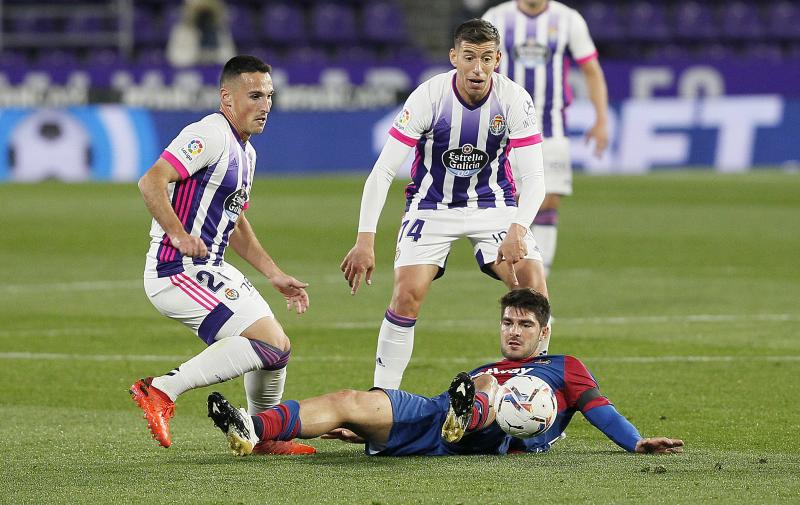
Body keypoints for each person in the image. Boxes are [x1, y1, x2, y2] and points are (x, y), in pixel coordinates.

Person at [207, 288, 684, 457]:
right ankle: (252, 429)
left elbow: (598, 408)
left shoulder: (564, 369)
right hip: (439, 417)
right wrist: (350, 427)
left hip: (497, 437)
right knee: (351, 401)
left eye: (525, 325)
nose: (514, 332)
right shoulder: (485, 366)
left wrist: (634, 440)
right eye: (508, 323)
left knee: (485, 390)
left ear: (544, 333)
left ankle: (470, 412)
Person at [340, 19, 550, 390]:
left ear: (498, 59)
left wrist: (517, 228)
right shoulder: (429, 97)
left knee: (533, 289)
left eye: (487, 58)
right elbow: (383, 171)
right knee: (407, 293)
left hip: (494, 205)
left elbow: (534, 178)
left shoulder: (515, 99)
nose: (478, 68)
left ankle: (533, 395)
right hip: (431, 205)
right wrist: (365, 239)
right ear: (454, 57)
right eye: (469, 57)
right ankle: (382, 400)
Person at [129, 55, 314, 455]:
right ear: (226, 98)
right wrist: (177, 235)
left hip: (210, 266)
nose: (265, 105)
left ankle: (264, 437)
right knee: (267, 343)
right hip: (175, 269)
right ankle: (161, 389)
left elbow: (235, 219)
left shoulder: (246, 152)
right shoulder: (209, 134)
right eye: (255, 95)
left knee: (277, 350)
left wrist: (273, 272)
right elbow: (151, 180)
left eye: (269, 95)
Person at [482, 0, 609, 277]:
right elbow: (478, 69)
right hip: (504, 131)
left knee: (548, 200)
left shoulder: (568, 19)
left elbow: (591, 70)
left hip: (551, 129)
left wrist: (601, 119)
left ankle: (541, 280)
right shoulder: (496, 17)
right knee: (509, 206)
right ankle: (519, 276)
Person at [166, 0, 236, 68]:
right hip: (191, 74)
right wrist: (198, 55)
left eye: (208, 13)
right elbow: (174, 58)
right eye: (200, 13)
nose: (204, 17)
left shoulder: (221, 31)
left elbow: (230, 58)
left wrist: (211, 56)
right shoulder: (181, 31)